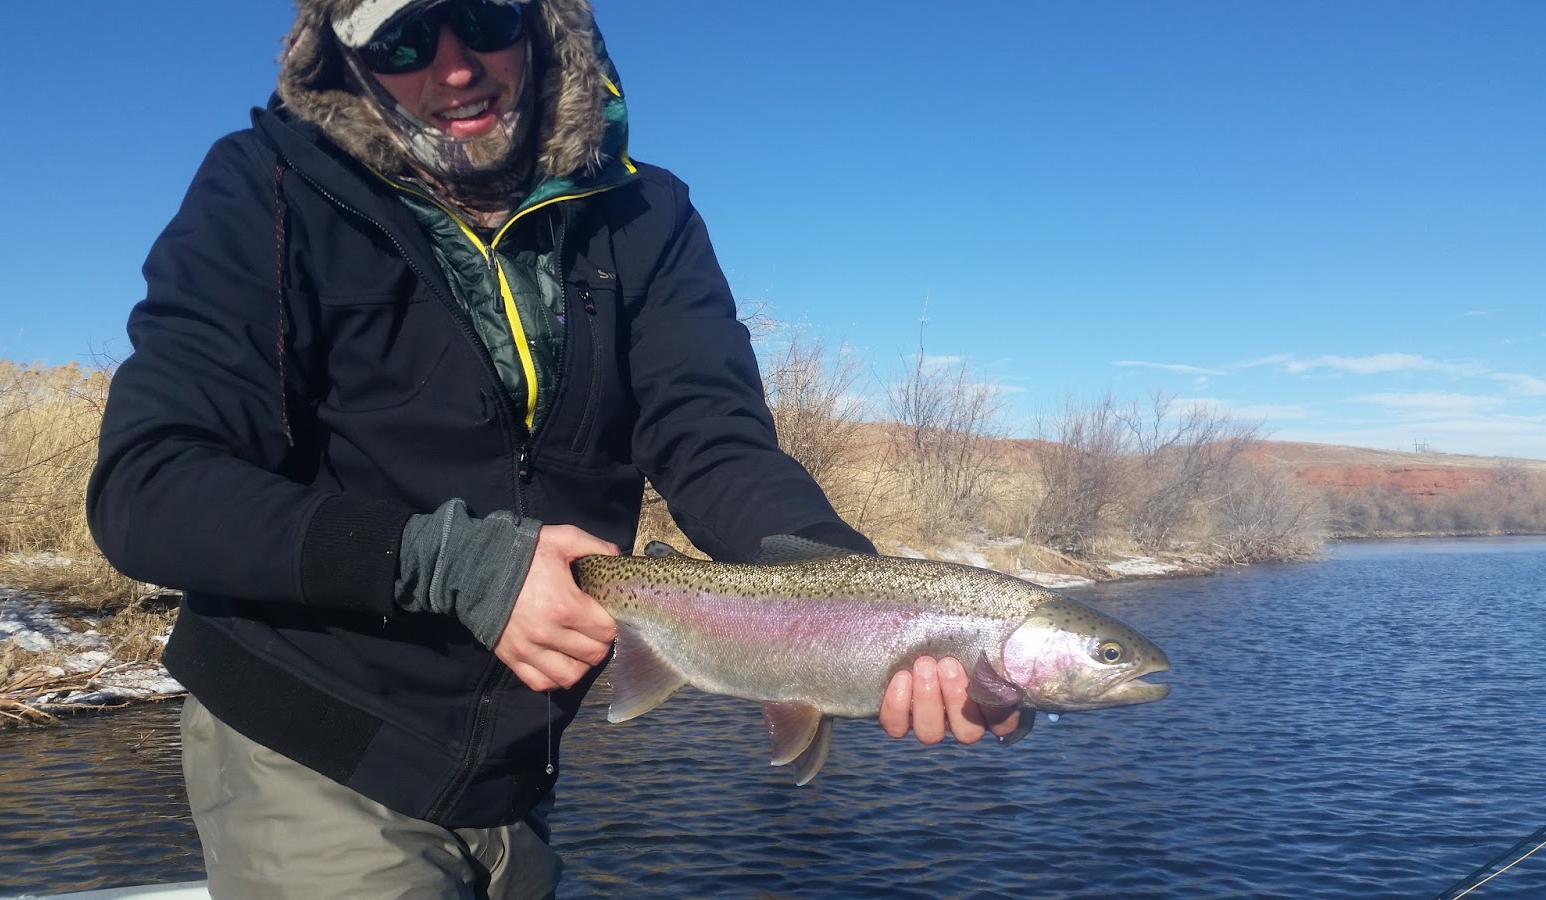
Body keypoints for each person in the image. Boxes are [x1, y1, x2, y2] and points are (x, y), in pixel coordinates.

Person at [87, 0, 1019, 895]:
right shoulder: (265, 190)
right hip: (311, 738)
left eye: (487, 21)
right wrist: (454, 563)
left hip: (517, 770)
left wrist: (868, 605)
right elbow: (148, 486)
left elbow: (716, 442)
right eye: (403, 40)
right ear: (343, 56)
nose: (454, 67)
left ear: (543, 24)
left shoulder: (645, 215)